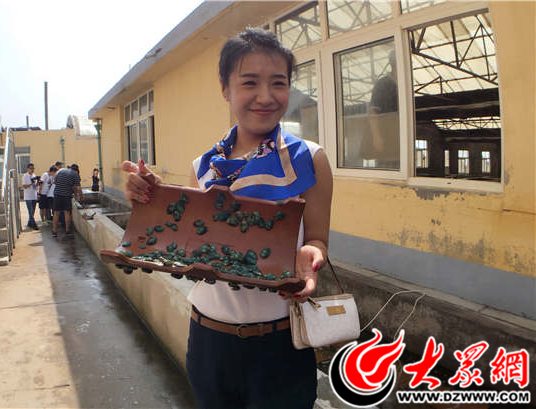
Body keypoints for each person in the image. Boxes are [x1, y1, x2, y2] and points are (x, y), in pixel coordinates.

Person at [123, 29, 332, 409]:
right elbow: (189, 241)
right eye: (249, 82)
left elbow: (317, 238)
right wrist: (149, 196)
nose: (265, 96)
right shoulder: (203, 167)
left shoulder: (310, 159)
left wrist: (311, 256)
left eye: (278, 83)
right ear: (225, 88)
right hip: (209, 341)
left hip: (280, 346)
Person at [365, 49, 400, 169]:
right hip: (386, 141)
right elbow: (373, 111)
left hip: (399, 140)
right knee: (388, 169)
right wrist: (377, 137)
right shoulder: (383, 84)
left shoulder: (404, 84)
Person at [52, 163, 83, 238]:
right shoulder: (75, 174)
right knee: (67, 213)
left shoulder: (60, 170)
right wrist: (81, 197)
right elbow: (78, 188)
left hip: (57, 194)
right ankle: (67, 231)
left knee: (56, 213)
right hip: (66, 195)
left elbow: (54, 182)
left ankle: (54, 231)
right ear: (76, 170)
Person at [22, 163, 39, 230]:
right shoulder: (25, 176)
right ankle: (34, 225)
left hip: (34, 195)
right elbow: (24, 186)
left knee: (33, 211)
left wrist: (38, 182)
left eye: (33, 168)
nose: (32, 170)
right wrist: (31, 183)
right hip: (28, 197)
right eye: (31, 168)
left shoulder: (34, 175)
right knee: (31, 211)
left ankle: (29, 223)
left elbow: (35, 186)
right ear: (27, 169)